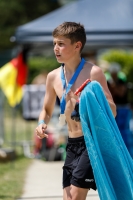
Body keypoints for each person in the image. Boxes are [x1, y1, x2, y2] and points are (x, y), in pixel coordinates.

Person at [35, 22, 116, 200]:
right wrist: (42, 123)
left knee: (76, 196)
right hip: (72, 144)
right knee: (68, 198)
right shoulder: (53, 76)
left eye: (61, 44)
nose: (56, 48)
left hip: (91, 142)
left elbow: (113, 111)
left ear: (77, 45)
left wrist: (87, 100)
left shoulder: (94, 73)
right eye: (54, 43)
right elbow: (46, 109)